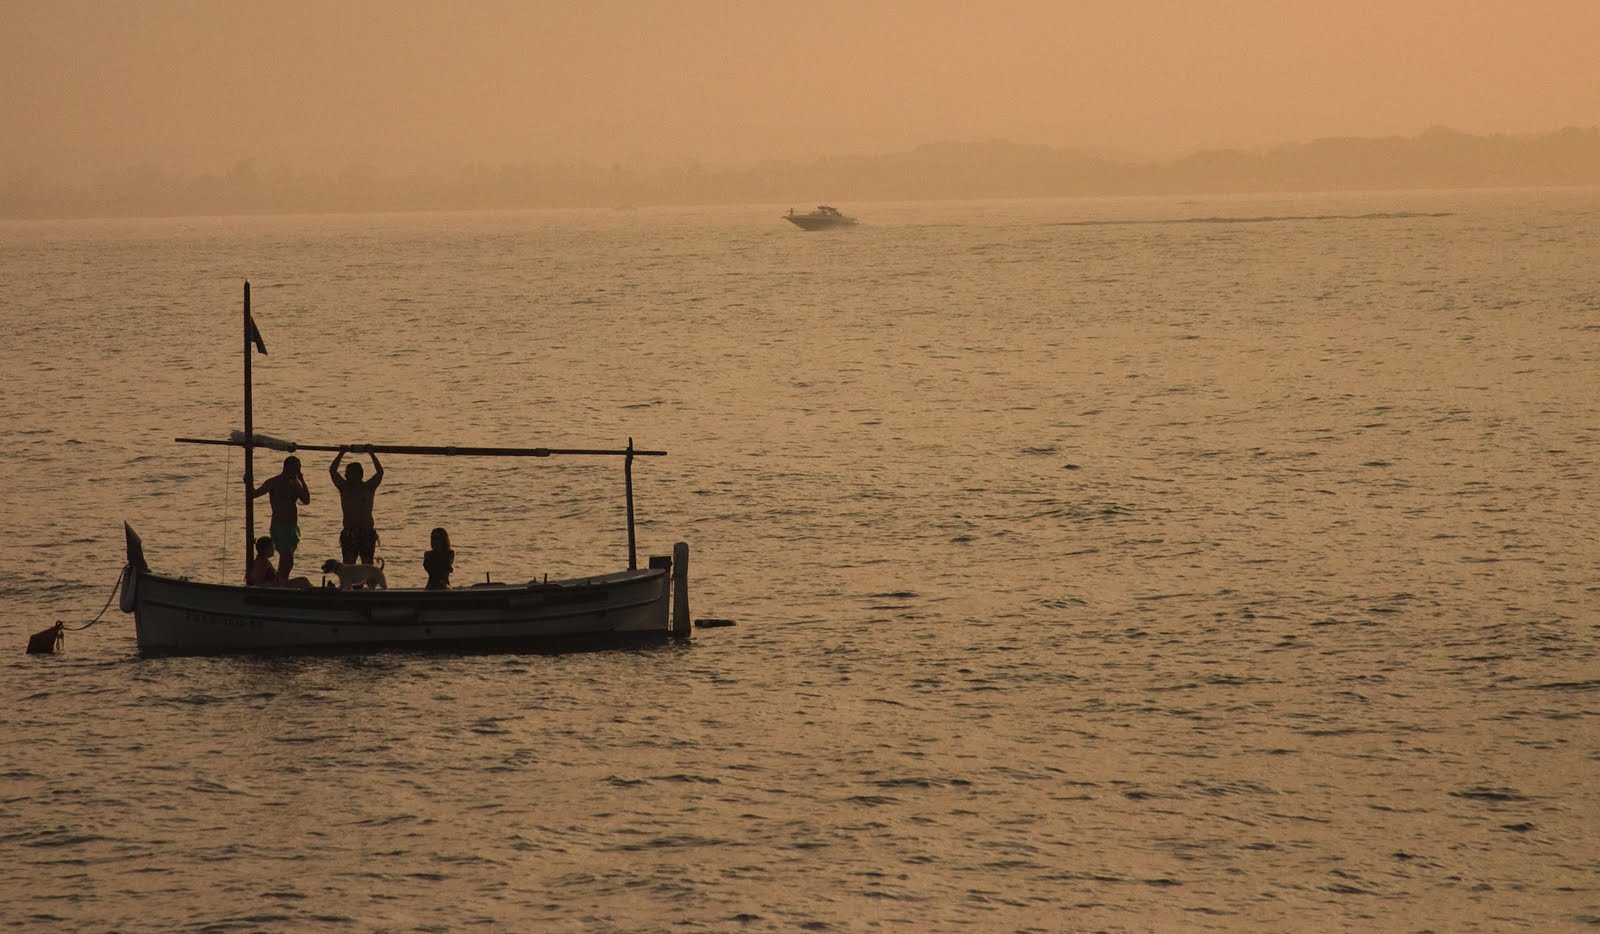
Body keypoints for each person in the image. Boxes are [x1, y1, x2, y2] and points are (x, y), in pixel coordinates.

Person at [247, 455, 310, 579]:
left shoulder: (296, 484)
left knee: (288, 560)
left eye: (299, 469)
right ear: (286, 468)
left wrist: (302, 479)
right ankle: (281, 582)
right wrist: (248, 482)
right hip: (279, 526)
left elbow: (306, 500)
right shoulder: (274, 482)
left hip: (292, 527)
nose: (297, 472)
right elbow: (254, 494)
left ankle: (281, 580)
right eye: (295, 469)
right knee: (287, 557)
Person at [330, 446, 384, 565]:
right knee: (349, 565)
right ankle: (353, 584)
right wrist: (341, 453)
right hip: (350, 532)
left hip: (366, 532)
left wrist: (371, 453)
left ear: (358, 474)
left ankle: (368, 583)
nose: (345, 476)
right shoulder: (344, 488)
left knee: (367, 564)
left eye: (348, 473)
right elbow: (333, 471)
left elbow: (380, 472)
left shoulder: (368, 488)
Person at [246, 536, 312, 588]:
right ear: (265, 549)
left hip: (279, 585)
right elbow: (258, 582)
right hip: (277, 587)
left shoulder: (264, 561)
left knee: (303, 580)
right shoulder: (262, 563)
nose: (273, 549)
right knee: (303, 581)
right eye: (271, 547)